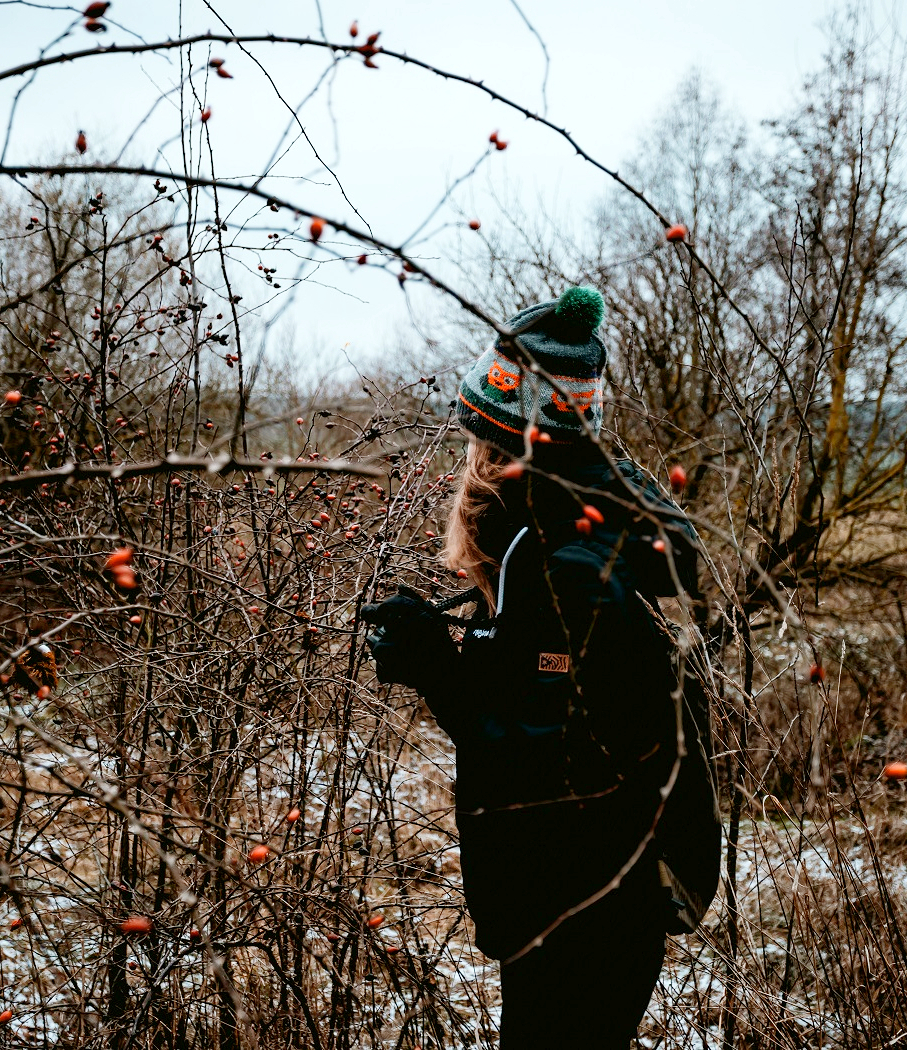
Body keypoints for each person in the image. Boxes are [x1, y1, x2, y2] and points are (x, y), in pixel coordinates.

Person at [361, 288, 718, 1050]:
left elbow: (542, 766)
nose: (467, 457)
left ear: (508, 449)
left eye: (478, 435)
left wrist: (435, 666)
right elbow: (533, 711)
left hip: (585, 912)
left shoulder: (571, 566)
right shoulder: (558, 537)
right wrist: (439, 651)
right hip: (572, 899)